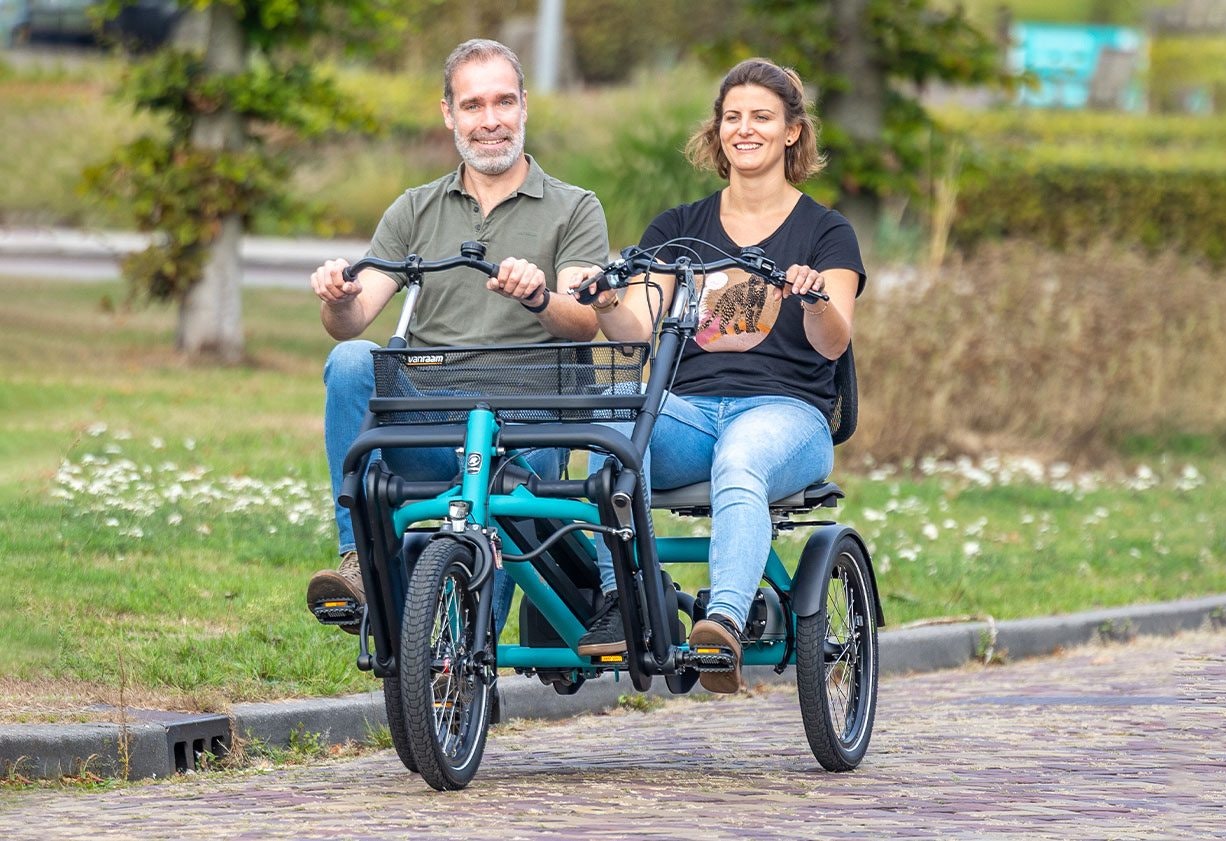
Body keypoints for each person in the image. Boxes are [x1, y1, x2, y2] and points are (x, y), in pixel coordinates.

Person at [574, 58, 865, 693]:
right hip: (690, 412)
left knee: (741, 460)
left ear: (792, 131)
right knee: (614, 418)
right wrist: (602, 303)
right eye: (733, 117)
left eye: (762, 117)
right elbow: (638, 331)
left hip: (788, 416)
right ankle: (624, 597)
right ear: (717, 131)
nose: (745, 129)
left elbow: (834, 338)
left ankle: (723, 625)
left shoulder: (826, 232)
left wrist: (814, 297)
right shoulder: (679, 229)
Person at [307, 39, 609, 635]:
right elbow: (356, 316)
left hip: (526, 428)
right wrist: (338, 299)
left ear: (525, 107)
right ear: (449, 113)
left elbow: (585, 316)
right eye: (473, 105)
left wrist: (539, 295)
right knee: (349, 359)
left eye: (503, 102)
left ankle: (461, 667)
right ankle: (359, 563)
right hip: (431, 420)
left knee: (496, 509)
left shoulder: (574, 207)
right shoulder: (414, 210)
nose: (490, 120)